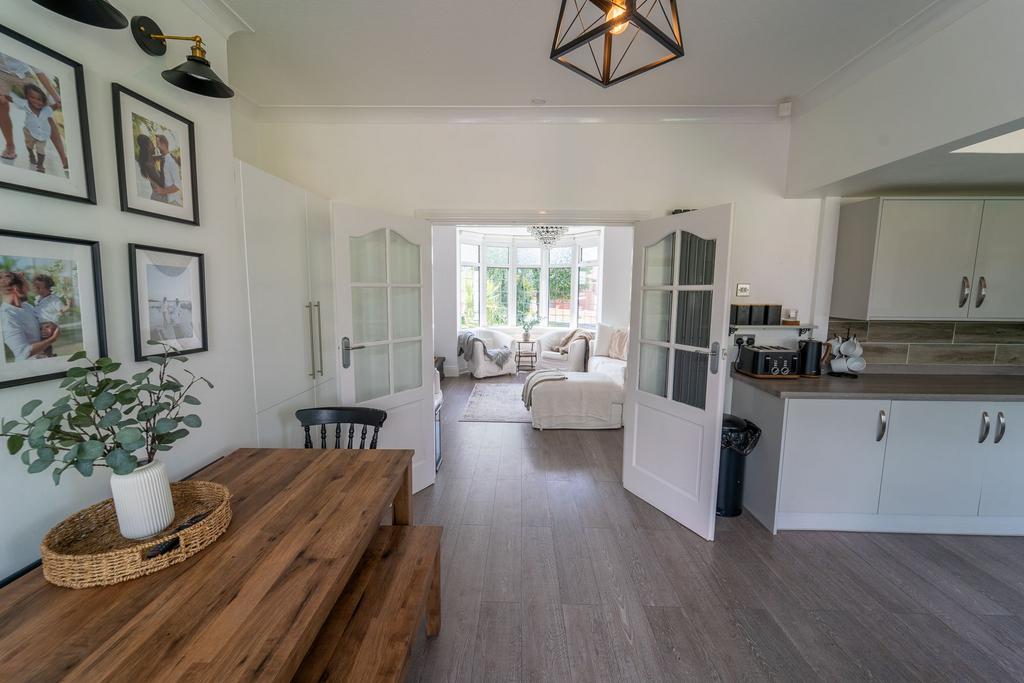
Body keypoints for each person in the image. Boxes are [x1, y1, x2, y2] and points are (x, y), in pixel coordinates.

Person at [0, 52, 62, 163]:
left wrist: (55, 96)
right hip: (1, 73)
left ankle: (64, 157)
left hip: (23, 74)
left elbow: (38, 71)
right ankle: (10, 146)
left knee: (43, 111)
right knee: (1, 103)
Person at [10, 83, 68, 175]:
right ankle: (31, 154)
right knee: (29, 146)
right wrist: (5, 97)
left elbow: (55, 106)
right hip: (29, 131)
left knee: (41, 150)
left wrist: (59, 104)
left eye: (40, 100)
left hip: (42, 134)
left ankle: (40, 165)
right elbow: (14, 100)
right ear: (27, 97)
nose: (36, 101)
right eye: (32, 98)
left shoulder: (46, 109)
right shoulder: (25, 104)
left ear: (44, 101)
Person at [0, 271, 58, 360]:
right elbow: (23, 352)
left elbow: (41, 326)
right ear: (16, 288)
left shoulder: (27, 306)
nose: (30, 289)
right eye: (25, 284)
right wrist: (52, 339)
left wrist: (50, 327)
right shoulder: (6, 316)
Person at [151, 134, 182, 206]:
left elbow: (178, 185)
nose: (156, 146)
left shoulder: (172, 162)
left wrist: (163, 191)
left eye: (158, 144)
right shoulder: (162, 159)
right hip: (166, 201)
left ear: (164, 144)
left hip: (173, 201)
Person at [135, 134, 164, 201]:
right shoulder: (149, 165)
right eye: (151, 143)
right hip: (159, 198)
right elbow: (162, 183)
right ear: (147, 147)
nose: (154, 146)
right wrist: (162, 165)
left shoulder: (150, 161)